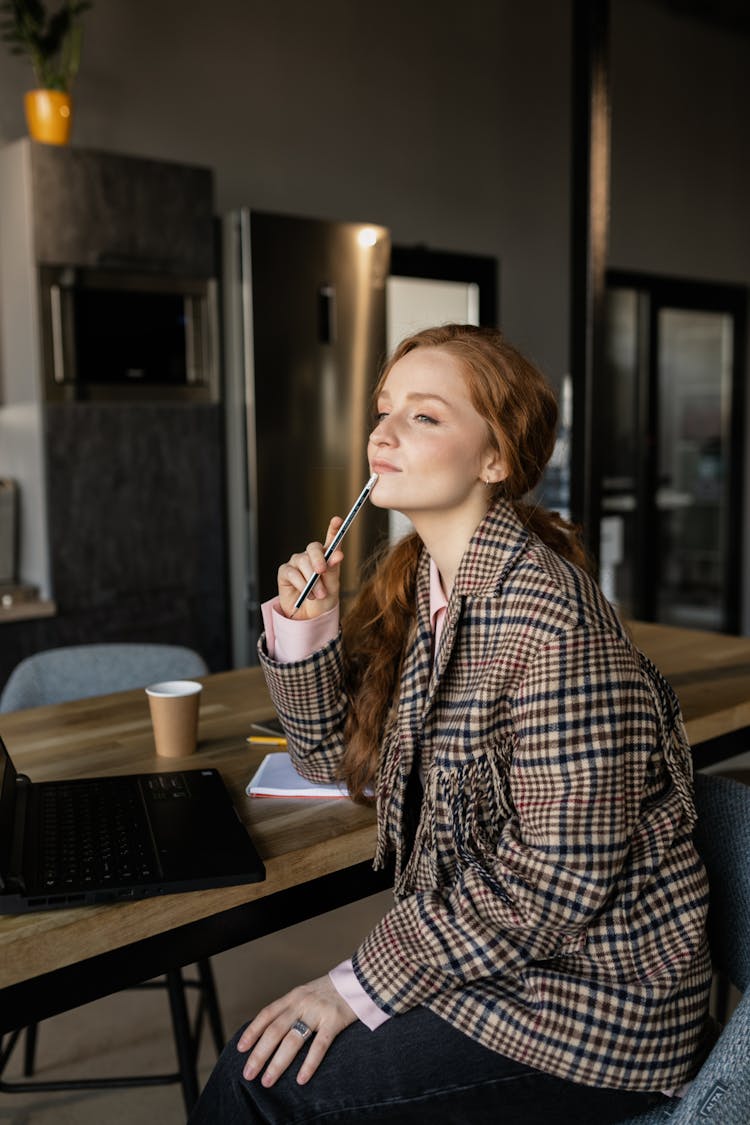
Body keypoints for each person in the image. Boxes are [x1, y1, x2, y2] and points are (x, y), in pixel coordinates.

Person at [189, 324, 712, 1124]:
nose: (383, 433)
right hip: (500, 970)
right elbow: (335, 760)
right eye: (383, 409)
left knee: (258, 1087)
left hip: (588, 1016)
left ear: (495, 459)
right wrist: (310, 630)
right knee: (263, 1067)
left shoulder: (552, 630)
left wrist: (351, 985)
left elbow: (556, 884)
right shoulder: (432, 588)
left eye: (424, 417)